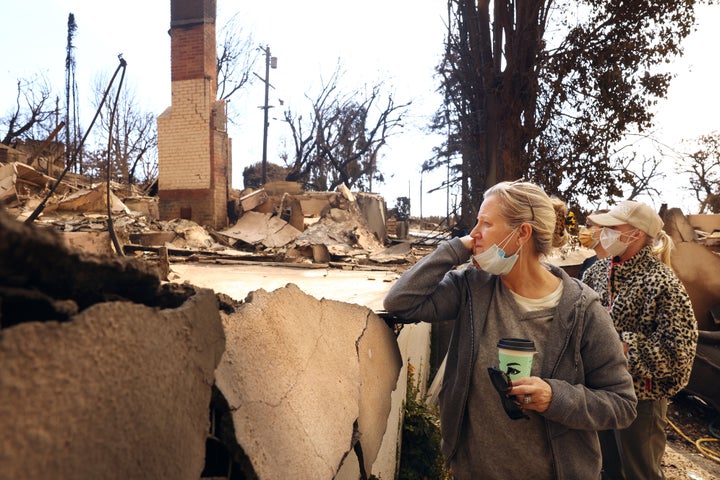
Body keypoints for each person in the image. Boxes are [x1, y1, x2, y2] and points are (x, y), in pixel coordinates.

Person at [383, 180, 637, 479]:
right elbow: (400, 302)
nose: (474, 233)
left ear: (522, 233)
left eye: (486, 223)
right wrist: (456, 249)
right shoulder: (471, 289)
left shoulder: (583, 310)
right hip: (473, 471)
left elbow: (622, 404)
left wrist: (555, 397)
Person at [581, 200, 698, 480]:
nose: (604, 232)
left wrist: (622, 347)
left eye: (613, 227)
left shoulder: (663, 283)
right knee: (607, 468)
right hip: (600, 390)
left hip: (641, 399)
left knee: (639, 472)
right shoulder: (596, 272)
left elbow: (677, 353)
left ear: (636, 234)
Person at [577, 210, 610, 279]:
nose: (583, 230)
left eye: (588, 225)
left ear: (606, 230)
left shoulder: (617, 267)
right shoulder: (588, 263)